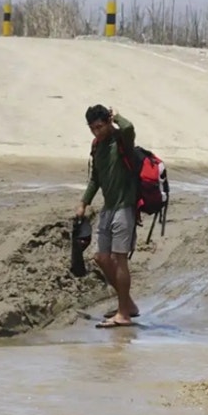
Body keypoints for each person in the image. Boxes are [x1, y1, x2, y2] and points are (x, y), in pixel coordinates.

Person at [77, 104, 142, 329]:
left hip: (125, 206)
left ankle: (123, 314)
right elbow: (95, 178)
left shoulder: (121, 139)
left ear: (108, 122)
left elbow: (129, 126)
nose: (97, 132)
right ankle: (128, 304)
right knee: (101, 258)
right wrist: (84, 203)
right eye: (92, 128)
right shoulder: (97, 146)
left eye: (100, 126)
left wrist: (116, 117)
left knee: (119, 258)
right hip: (108, 207)